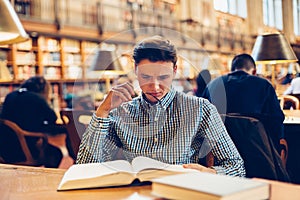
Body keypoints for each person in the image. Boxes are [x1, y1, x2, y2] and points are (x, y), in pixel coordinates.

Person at [76, 35, 245, 177]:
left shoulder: (201, 109)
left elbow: (236, 166)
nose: (155, 87)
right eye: (146, 77)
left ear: (174, 70)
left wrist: (211, 173)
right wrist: (102, 112)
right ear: (135, 69)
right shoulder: (119, 112)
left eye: (163, 77)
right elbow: (84, 169)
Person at [202, 53, 285, 153]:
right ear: (254, 71)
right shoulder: (264, 85)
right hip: (257, 152)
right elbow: (276, 119)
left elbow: (201, 118)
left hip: (218, 152)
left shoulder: (213, 85)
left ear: (231, 70)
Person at [0, 76, 67, 167]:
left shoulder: (10, 95)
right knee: (56, 153)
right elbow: (53, 118)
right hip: (26, 149)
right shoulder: (38, 98)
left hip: (5, 149)